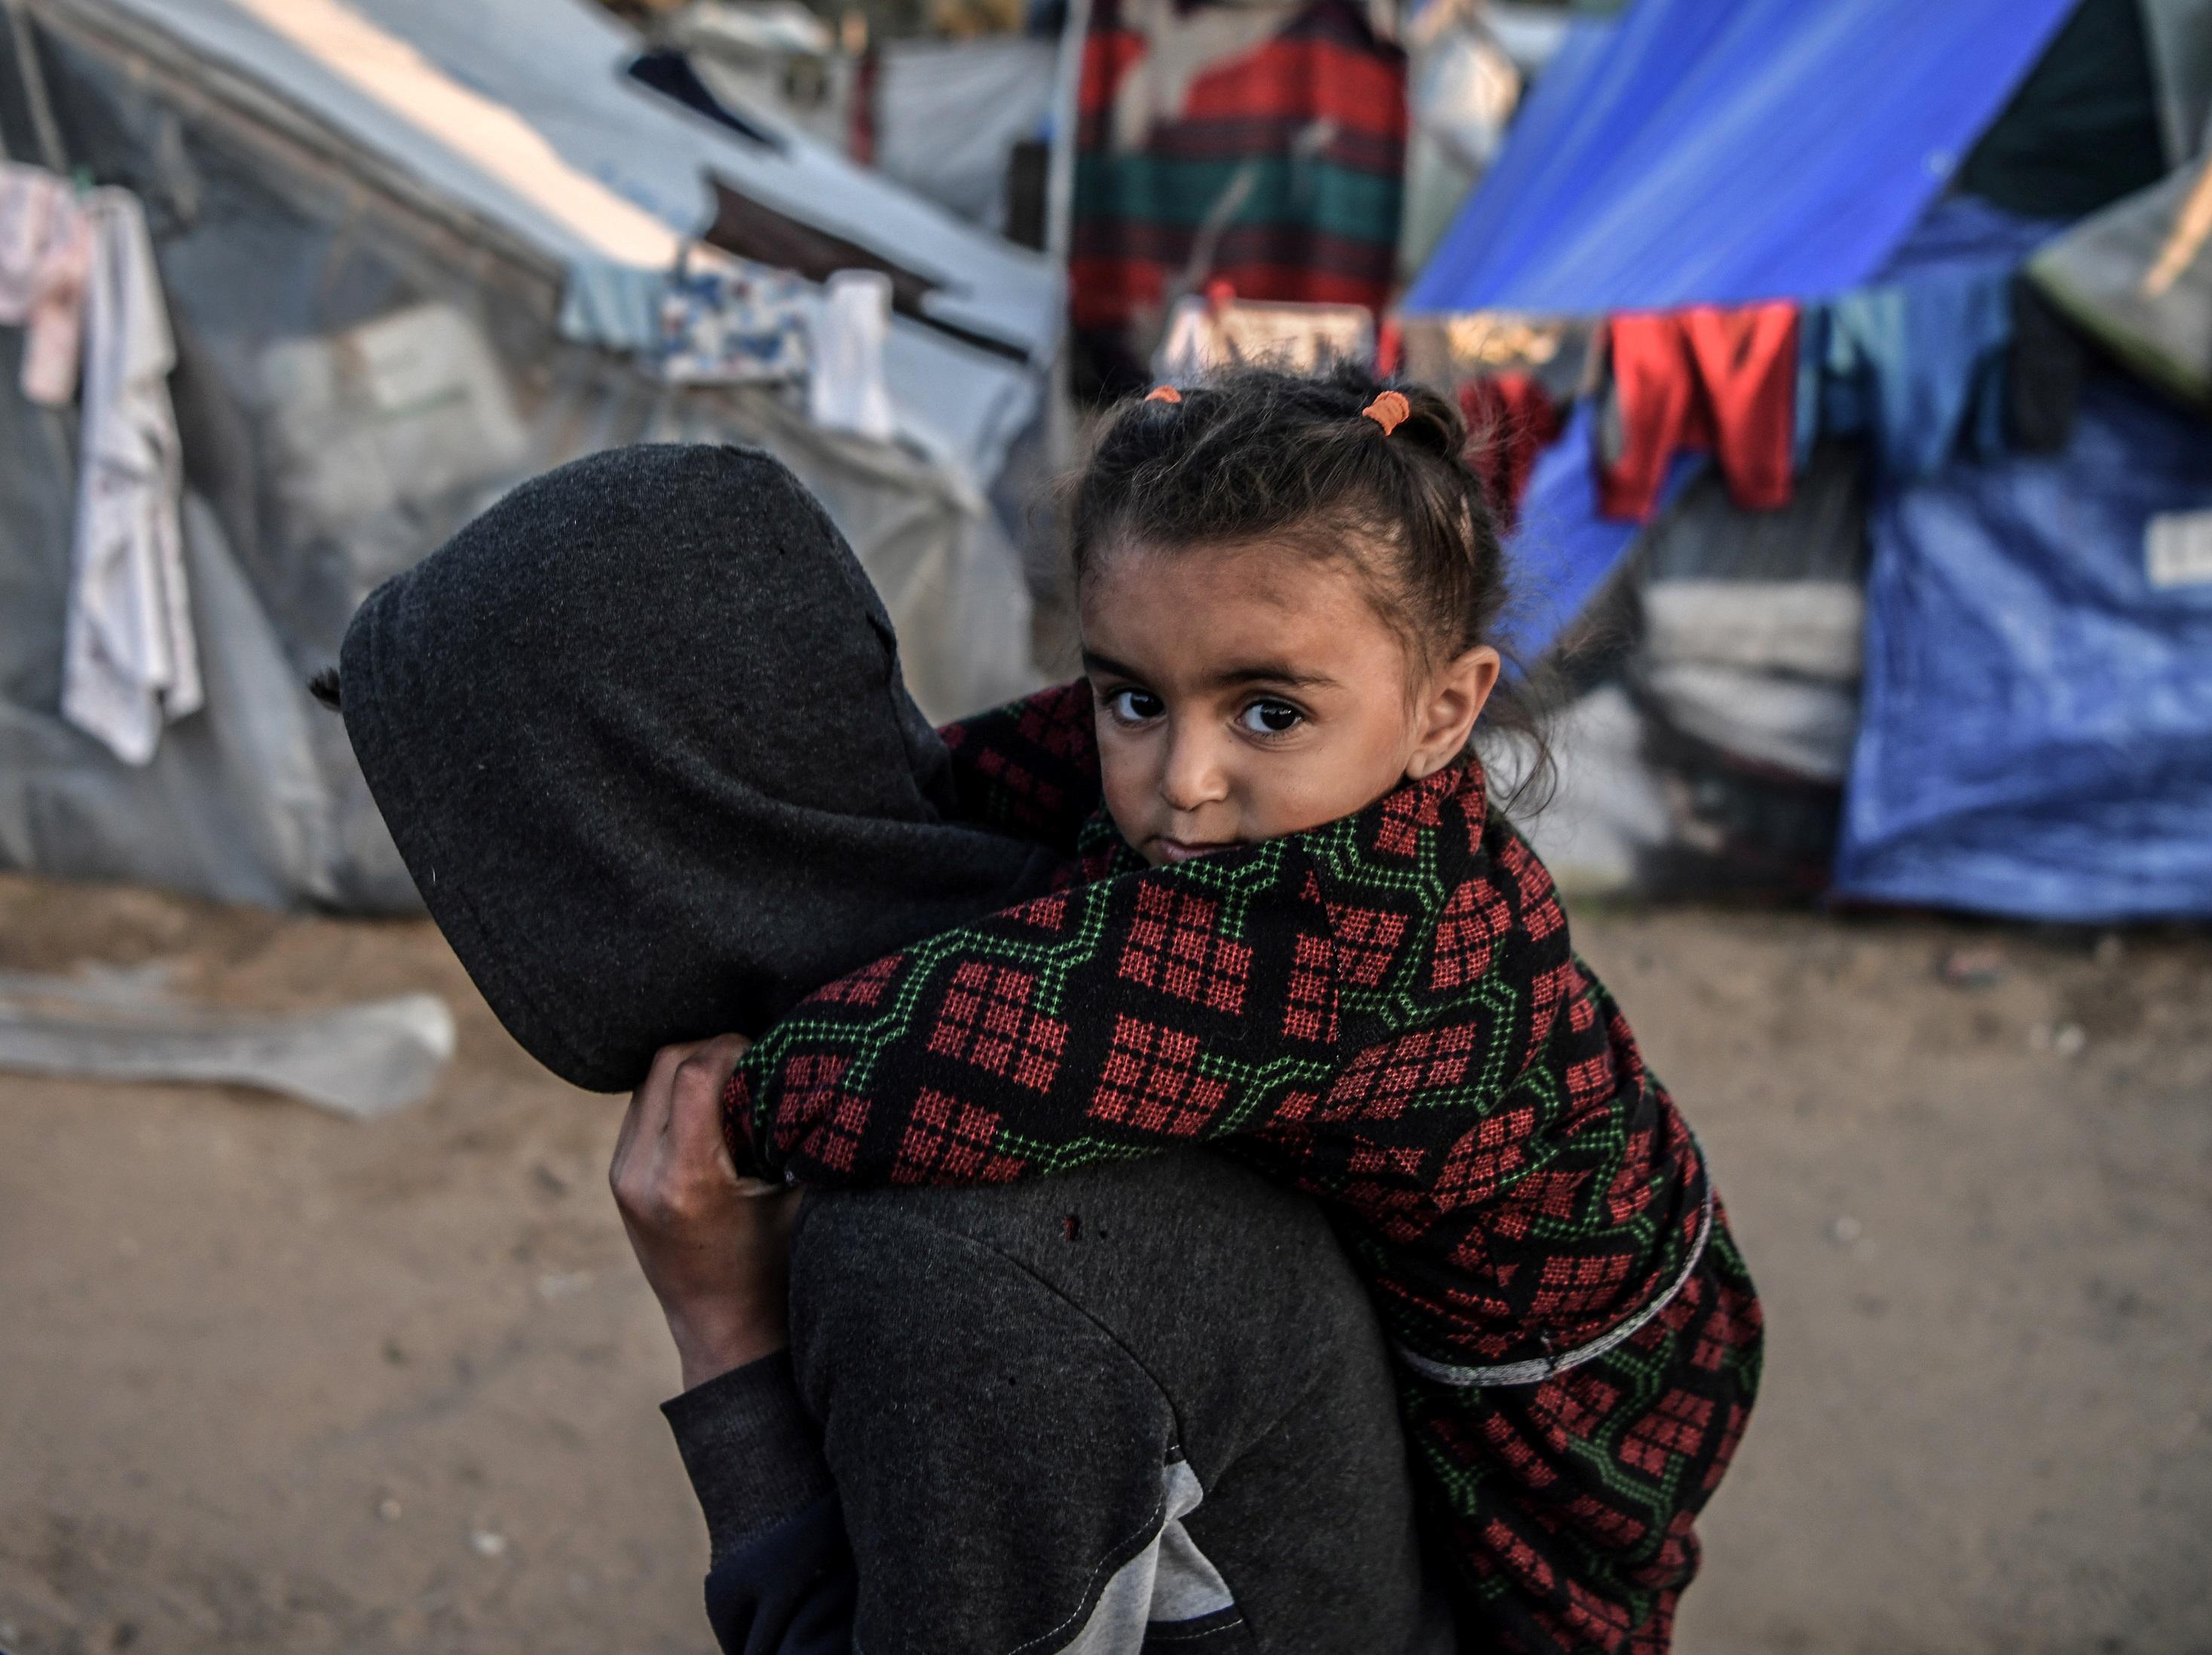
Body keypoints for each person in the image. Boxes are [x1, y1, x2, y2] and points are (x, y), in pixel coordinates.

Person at [658, 366, 1764, 1653]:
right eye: (1134, 694)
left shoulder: (1348, 929)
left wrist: (738, 1104)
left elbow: (959, 1065)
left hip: (1587, 1381)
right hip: (1590, 1248)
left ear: (1441, 710)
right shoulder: (1246, 771)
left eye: (1269, 712)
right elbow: (979, 779)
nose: (1181, 780)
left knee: (1546, 1611)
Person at [326, 442, 1455, 1653]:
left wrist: (725, 1335)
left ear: (620, 845)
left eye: (476, 853)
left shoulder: (953, 1252)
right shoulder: (1071, 967)